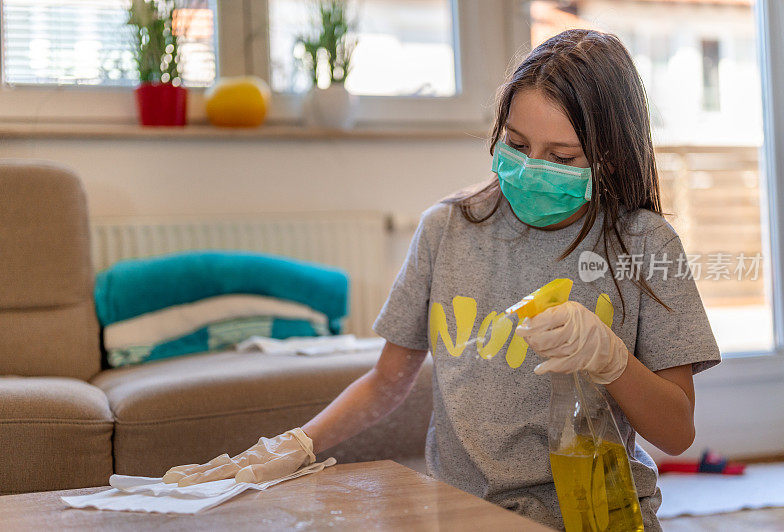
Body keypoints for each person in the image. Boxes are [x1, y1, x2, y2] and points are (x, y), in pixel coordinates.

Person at [162, 29, 721, 531]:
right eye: (518, 145)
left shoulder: (644, 244)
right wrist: (297, 444)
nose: (530, 169)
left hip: (595, 516)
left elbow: (677, 433)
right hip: (465, 514)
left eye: (562, 156)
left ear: (612, 159)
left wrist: (612, 359)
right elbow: (387, 382)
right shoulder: (447, 230)